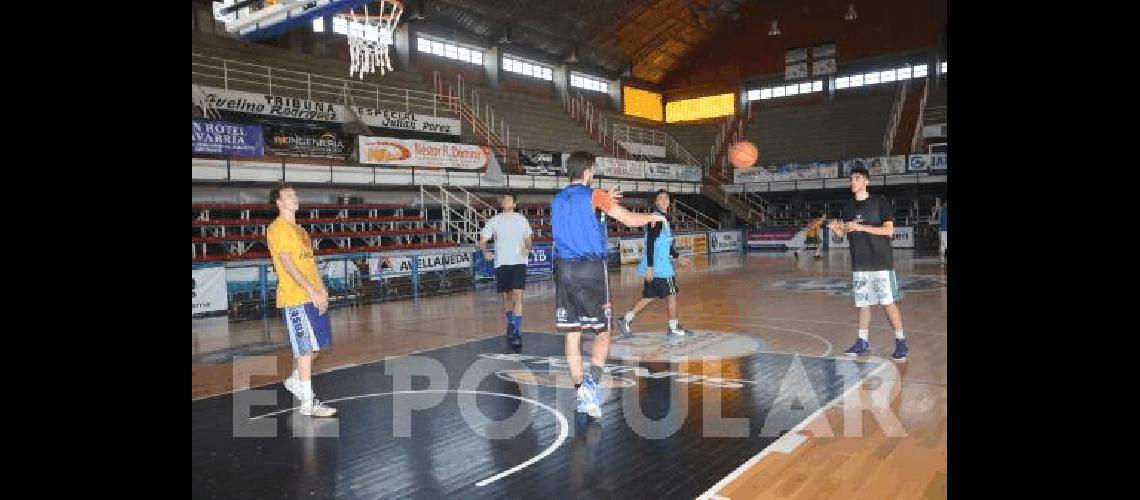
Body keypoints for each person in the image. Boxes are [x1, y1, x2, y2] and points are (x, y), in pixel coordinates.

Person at [552, 152, 665, 417]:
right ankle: (592, 384)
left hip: (564, 269)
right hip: (590, 270)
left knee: (573, 334)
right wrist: (654, 217)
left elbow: (582, 215)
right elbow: (627, 219)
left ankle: (582, 392)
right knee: (603, 332)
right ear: (588, 171)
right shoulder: (593, 195)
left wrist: (602, 203)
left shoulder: (557, 199)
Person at [267, 183, 337, 417]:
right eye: (289, 196)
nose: (295, 198)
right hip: (295, 298)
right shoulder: (277, 228)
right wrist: (310, 290)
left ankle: (296, 379)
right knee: (306, 350)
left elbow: (309, 264)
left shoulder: (302, 232)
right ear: (279, 202)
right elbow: (287, 264)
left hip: (312, 295)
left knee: (319, 347)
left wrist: (321, 289)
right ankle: (308, 403)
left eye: (295, 195)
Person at [827, 167, 909, 362]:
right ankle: (862, 342)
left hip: (880, 262)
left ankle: (901, 341)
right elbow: (844, 235)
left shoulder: (879, 202)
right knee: (863, 304)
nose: (852, 182)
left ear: (866, 181)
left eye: (857, 178)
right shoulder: (847, 207)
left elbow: (889, 232)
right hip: (860, 264)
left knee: (888, 303)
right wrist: (837, 230)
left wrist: (860, 226)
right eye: (851, 179)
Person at [616, 189, 693, 337]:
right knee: (672, 295)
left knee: (649, 296)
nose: (664, 201)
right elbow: (650, 243)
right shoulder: (656, 219)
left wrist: (677, 257)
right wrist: (651, 267)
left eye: (666, 199)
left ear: (669, 202)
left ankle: (625, 319)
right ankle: (674, 327)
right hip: (660, 267)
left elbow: (666, 244)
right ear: (656, 202)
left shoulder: (663, 219)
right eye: (661, 199)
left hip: (655, 265)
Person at [479, 192, 534, 348]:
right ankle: (510, 323)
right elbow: (482, 240)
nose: (506, 201)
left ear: (514, 204)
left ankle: (517, 330)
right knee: (507, 297)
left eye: (509, 199)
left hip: (519, 262)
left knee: (518, 295)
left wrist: (527, 248)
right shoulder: (494, 221)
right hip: (502, 263)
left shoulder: (521, 220)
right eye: (504, 199)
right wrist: (485, 251)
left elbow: (529, 240)